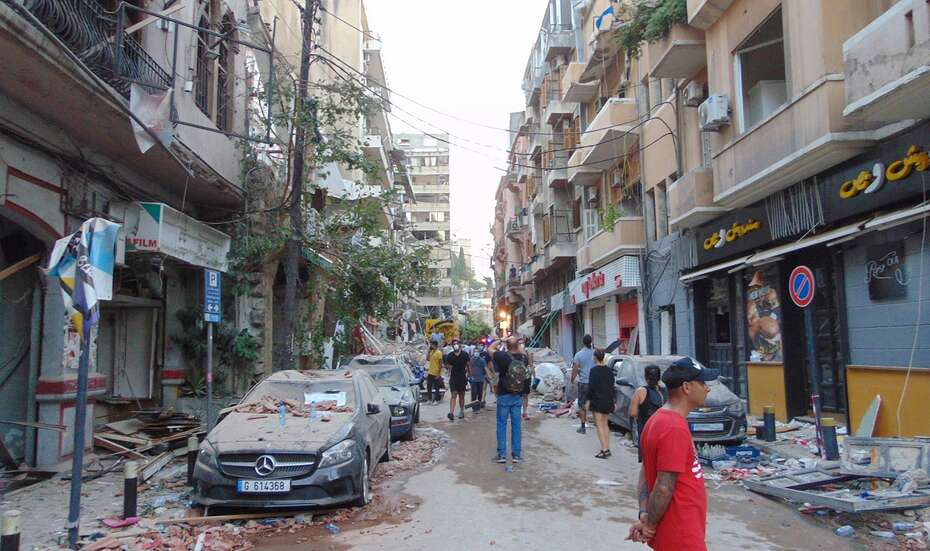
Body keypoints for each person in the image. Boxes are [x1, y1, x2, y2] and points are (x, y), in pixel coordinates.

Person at [628, 357, 718, 550]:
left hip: (673, 533)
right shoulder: (673, 428)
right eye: (702, 383)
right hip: (681, 535)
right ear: (686, 387)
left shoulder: (657, 420)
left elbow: (646, 471)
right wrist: (650, 525)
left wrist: (644, 515)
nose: (707, 388)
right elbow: (663, 487)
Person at [491, 337, 531, 464]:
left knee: (501, 425)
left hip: (503, 395)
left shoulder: (502, 356)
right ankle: (516, 455)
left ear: (507, 346)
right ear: (518, 345)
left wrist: (500, 340)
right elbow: (522, 351)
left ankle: (502, 455)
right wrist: (516, 343)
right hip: (517, 396)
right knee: (516, 426)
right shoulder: (524, 358)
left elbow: (490, 348)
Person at [629, 365, 666, 462]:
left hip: (647, 430)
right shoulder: (665, 392)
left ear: (645, 377)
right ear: (659, 377)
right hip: (663, 431)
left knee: (647, 463)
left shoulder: (641, 391)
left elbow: (632, 413)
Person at [587, 349, 616, 459]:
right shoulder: (609, 371)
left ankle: (604, 449)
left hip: (597, 400)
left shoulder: (594, 371)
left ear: (595, 357)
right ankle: (607, 447)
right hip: (608, 400)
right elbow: (612, 387)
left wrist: (588, 400)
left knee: (599, 425)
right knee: (605, 424)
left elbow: (591, 388)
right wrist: (613, 400)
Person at [570, 334, 596, 434]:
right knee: (594, 404)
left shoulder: (579, 354)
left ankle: (583, 427)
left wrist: (572, 380)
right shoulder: (595, 353)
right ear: (591, 341)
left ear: (583, 342)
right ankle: (598, 424)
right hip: (594, 383)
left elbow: (575, 369)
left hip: (584, 383)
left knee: (582, 405)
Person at [444, 339, 470, 421]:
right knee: (453, 395)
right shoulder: (450, 356)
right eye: (454, 344)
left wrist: (469, 375)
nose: (455, 345)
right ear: (452, 346)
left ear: (460, 344)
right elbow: (448, 367)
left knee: (461, 396)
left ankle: (461, 411)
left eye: (457, 343)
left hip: (462, 378)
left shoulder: (465, 354)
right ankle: (451, 413)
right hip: (454, 378)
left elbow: (468, 365)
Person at [469, 342, 490, 412]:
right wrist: (468, 375)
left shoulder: (482, 360)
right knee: (474, 393)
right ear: (473, 352)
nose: (476, 353)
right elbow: (468, 368)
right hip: (473, 379)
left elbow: (485, 368)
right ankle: (474, 407)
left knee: (480, 393)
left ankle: (478, 407)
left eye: (477, 352)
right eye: (475, 352)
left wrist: (489, 375)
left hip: (481, 379)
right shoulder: (471, 360)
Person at [517, 338, 533, 420]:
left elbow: (530, 365)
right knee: (518, 395)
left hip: (526, 376)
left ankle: (525, 412)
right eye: (519, 343)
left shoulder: (528, 353)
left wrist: (534, 375)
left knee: (525, 395)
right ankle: (517, 411)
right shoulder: (515, 354)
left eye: (522, 343)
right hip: (517, 377)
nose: (521, 345)